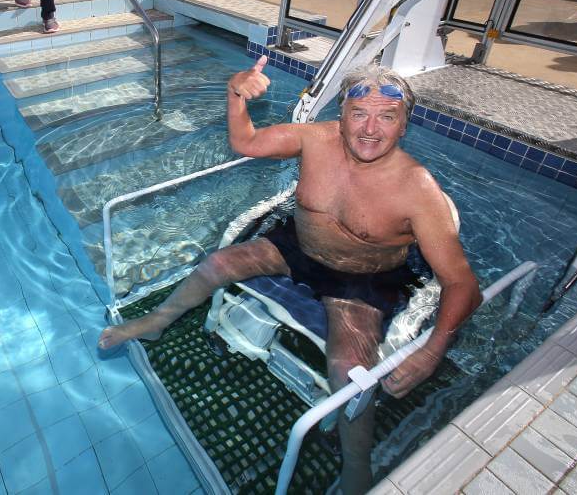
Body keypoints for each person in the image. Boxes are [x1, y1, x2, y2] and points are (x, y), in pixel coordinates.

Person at [98, 59, 482, 494]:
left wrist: (433, 350)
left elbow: (463, 284)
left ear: (404, 124)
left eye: (387, 117)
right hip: (298, 245)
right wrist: (235, 92)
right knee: (217, 264)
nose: (370, 129)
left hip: (360, 280)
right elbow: (245, 142)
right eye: (359, 114)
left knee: (349, 369)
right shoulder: (315, 139)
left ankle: (357, 464)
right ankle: (156, 322)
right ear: (342, 115)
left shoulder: (417, 188)